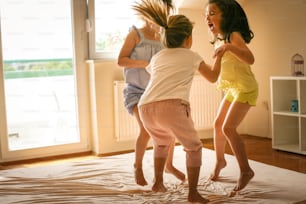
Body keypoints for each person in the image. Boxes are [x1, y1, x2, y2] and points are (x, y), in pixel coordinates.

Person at [134, 0, 224, 202]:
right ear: (188, 38)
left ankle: (158, 183)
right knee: (194, 147)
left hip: (146, 106)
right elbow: (212, 77)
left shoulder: (157, 57)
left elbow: (154, 74)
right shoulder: (191, 55)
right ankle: (192, 193)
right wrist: (219, 55)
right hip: (172, 106)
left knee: (161, 143)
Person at [117, 0, 185, 186]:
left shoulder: (165, 37)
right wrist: (146, 63)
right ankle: (137, 167)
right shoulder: (135, 34)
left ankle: (168, 165)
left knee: (169, 130)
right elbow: (121, 60)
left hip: (158, 92)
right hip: (136, 92)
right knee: (146, 130)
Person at [205, 0, 258, 195]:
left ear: (226, 16)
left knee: (228, 128)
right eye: (206, 15)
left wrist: (228, 47)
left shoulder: (232, 36)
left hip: (245, 89)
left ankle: (246, 170)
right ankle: (220, 160)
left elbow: (250, 59)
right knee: (218, 125)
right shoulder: (219, 39)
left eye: (212, 13)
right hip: (233, 89)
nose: (207, 17)